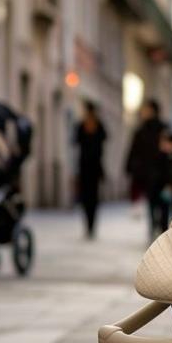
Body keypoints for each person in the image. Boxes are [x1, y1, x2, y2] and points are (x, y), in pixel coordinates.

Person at [125, 99, 166, 238]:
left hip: (160, 170)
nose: (143, 112)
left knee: (160, 201)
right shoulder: (141, 129)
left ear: (152, 111)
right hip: (148, 171)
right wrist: (130, 166)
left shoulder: (163, 129)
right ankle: (153, 226)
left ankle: (159, 226)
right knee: (151, 200)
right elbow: (133, 150)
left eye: (146, 109)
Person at [74, 100, 107, 239]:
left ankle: (91, 226)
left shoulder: (99, 126)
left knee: (93, 198)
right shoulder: (81, 126)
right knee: (86, 198)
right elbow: (76, 140)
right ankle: (88, 225)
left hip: (94, 167)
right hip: (84, 167)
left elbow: (104, 139)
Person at [150, 131, 172, 237]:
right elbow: (155, 173)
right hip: (159, 189)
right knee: (159, 212)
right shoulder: (160, 156)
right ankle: (160, 232)